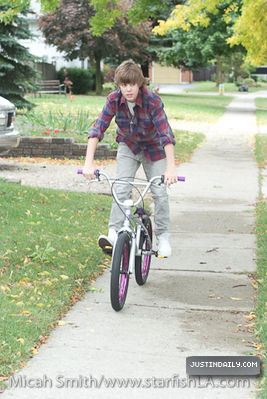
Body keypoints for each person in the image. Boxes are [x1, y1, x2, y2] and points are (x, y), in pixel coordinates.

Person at [82, 59, 177, 257]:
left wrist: (170, 169)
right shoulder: (113, 100)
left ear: (139, 83)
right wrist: (88, 163)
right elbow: (97, 129)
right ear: (119, 85)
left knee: (159, 192)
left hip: (153, 149)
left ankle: (163, 237)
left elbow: (166, 135)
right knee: (122, 186)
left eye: (132, 84)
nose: (128, 89)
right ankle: (114, 232)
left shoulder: (153, 101)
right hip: (129, 146)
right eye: (124, 85)